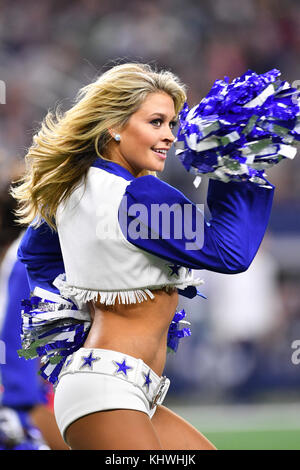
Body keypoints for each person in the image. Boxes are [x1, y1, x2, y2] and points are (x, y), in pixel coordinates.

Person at [11, 62, 274, 450]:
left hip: (116, 387)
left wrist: (76, 314)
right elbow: (229, 252)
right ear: (114, 126)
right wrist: (233, 165)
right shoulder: (140, 197)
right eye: (156, 122)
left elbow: (34, 257)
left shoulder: (70, 190)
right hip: (106, 390)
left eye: (172, 123)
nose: (169, 136)